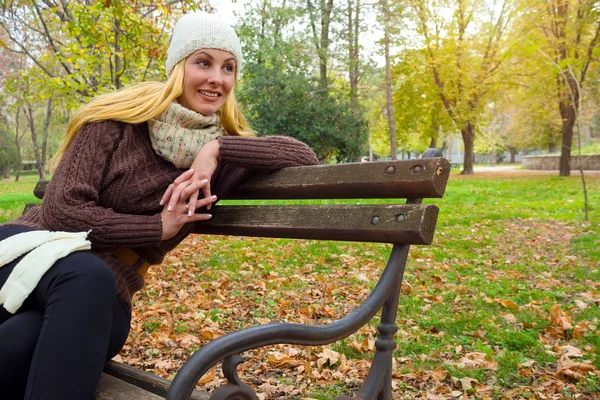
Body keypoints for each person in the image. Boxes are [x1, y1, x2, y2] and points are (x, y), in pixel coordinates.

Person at [0, 12, 318, 400]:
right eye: (203, 62)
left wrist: (216, 148)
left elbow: (303, 155)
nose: (217, 78)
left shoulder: (222, 160)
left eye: (228, 67)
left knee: (21, 342)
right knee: (87, 277)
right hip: (28, 255)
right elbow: (62, 211)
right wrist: (157, 229)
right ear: (177, 68)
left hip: (104, 295)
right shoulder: (114, 122)